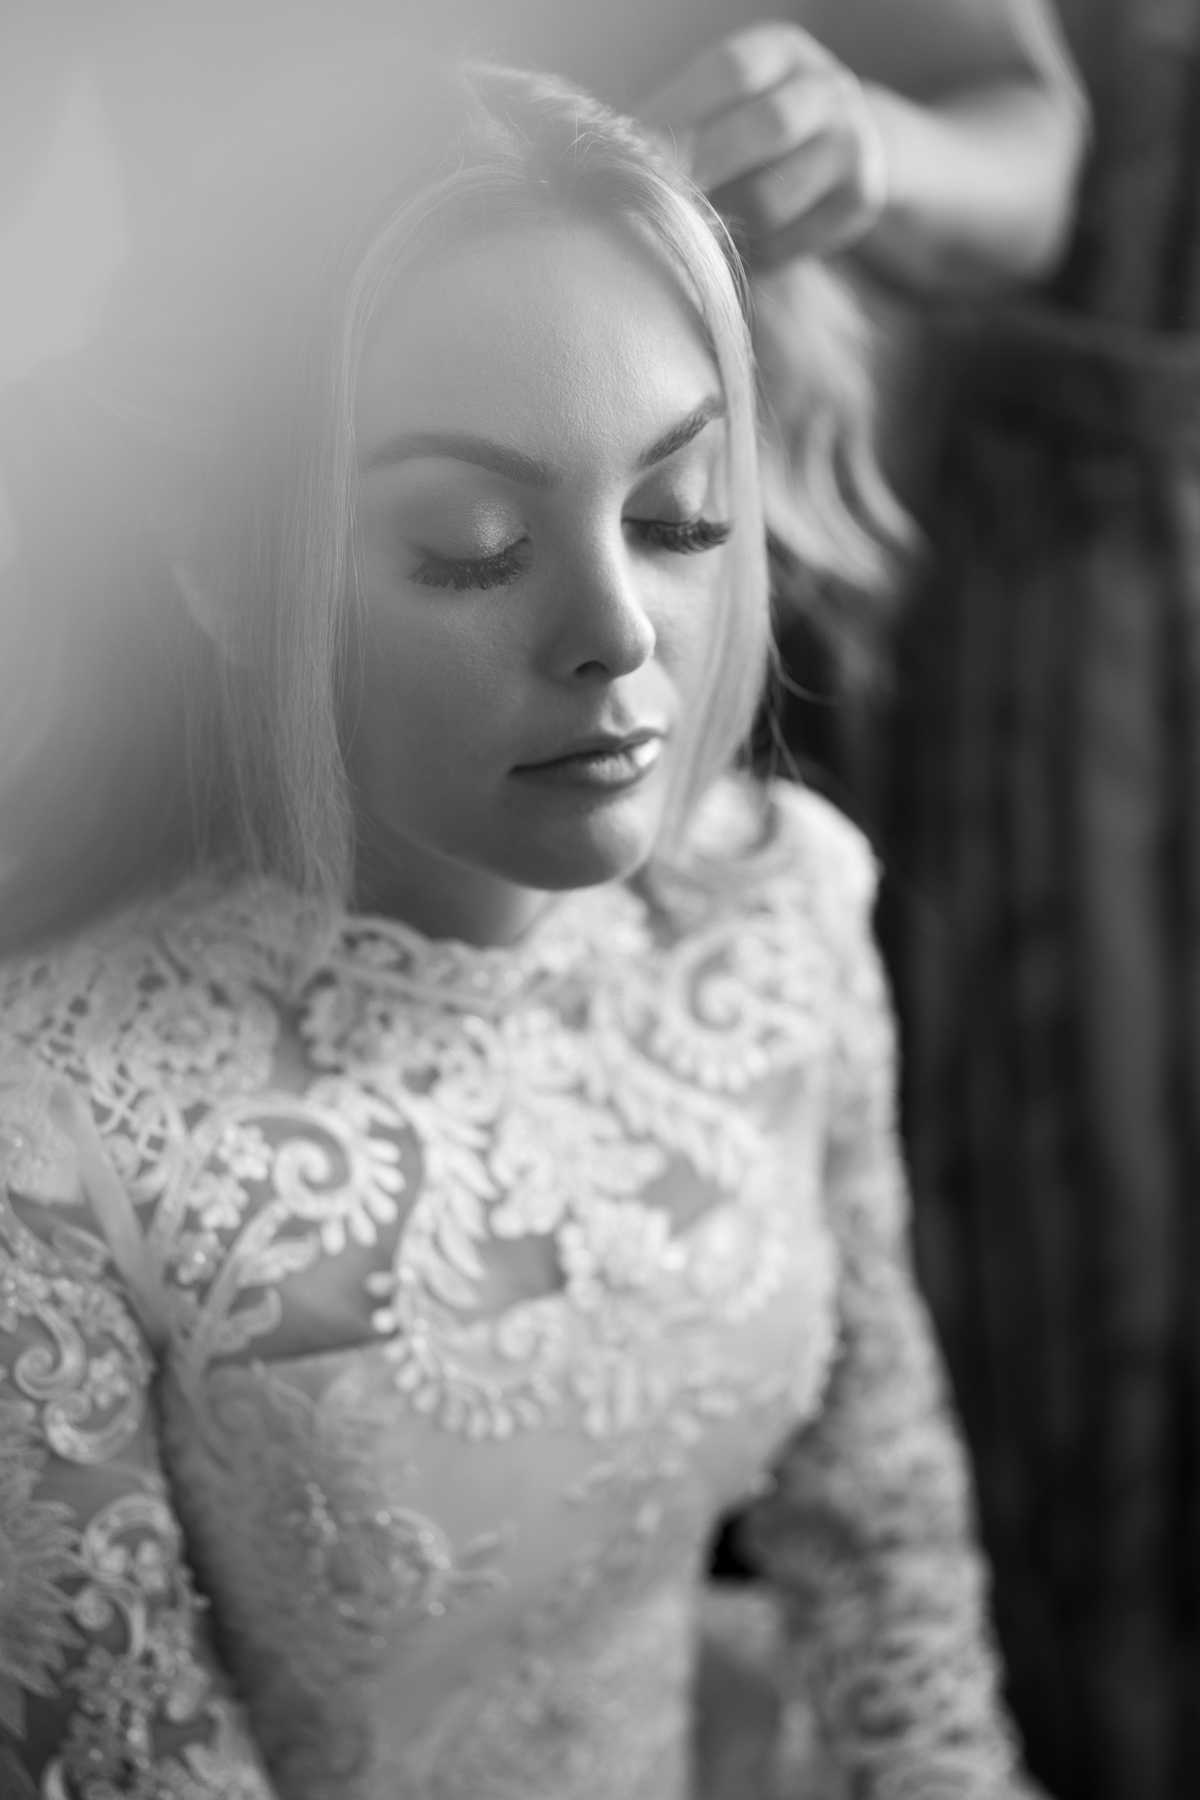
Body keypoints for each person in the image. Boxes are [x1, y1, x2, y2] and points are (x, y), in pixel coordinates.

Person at [0, 49, 1037, 1800]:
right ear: (219, 563)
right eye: (473, 543)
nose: (617, 632)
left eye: (677, 515)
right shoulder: (56, 1136)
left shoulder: (774, 909)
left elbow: (885, 1550)